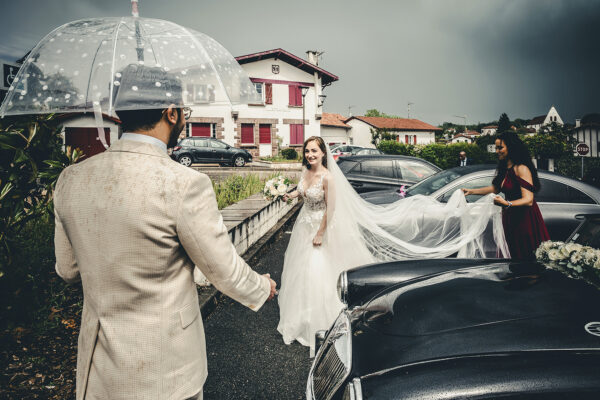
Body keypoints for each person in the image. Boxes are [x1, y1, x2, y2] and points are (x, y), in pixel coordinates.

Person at [54, 65, 276, 400]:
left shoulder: (71, 179)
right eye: (184, 112)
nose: (184, 118)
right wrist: (262, 286)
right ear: (170, 113)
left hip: (98, 368)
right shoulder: (183, 184)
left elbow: (67, 270)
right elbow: (222, 270)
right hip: (165, 369)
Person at [277, 136, 509, 356]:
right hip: (303, 227)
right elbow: (302, 192)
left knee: (318, 272)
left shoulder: (328, 177)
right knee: (301, 273)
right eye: (307, 151)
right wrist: (287, 194)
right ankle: (301, 319)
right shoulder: (306, 172)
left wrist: (320, 232)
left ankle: (321, 320)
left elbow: (331, 208)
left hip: (319, 229)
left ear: (323, 153)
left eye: (314, 151)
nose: (309, 155)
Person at [462, 132, 550, 259]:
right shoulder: (505, 168)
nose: (497, 151)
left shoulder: (521, 168)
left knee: (525, 256)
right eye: (496, 148)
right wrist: (471, 191)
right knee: (513, 254)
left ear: (511, 147)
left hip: (524, 219)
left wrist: (507, 204)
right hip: (510, 217)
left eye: (500, 147)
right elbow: (495, 189)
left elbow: (529, 200)